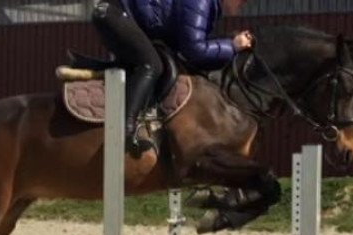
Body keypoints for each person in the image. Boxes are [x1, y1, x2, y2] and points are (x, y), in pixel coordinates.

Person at [92, 0, 253, 151]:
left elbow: (191, 47)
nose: (244, 4)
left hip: (118, 15)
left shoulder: (208, 5)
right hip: (114, 13)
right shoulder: (202, 2)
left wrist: (228, 44)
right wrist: (232, 46)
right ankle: (124, 132)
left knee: (156, 62)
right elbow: (195, 50)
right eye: (243, 1)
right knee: (151, 65)